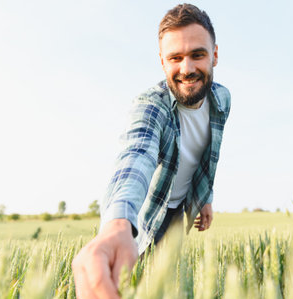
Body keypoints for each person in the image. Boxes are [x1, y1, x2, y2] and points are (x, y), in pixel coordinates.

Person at [72, 4, 230, 298]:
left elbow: (210, 153)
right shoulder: (151, 106)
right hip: (146, 214)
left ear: (215, 55)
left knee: (167, 282)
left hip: (179, 210)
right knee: (133, 284)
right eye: (175, 58)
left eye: (198, 54)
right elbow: (136, 155)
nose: (187, 68)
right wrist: (117, 224)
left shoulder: (222, 98)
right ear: (162, 62)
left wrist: (206, 197)